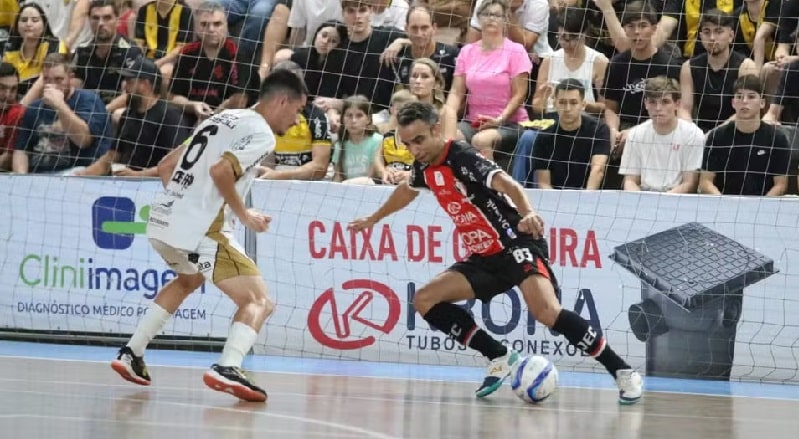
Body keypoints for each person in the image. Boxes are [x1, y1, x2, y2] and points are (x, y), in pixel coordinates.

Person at [348, 101, 644, 404]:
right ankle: (500, 356)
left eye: (419, 140)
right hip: (484, 257)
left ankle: (622, 372)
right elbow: (406, 191)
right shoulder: (424, 164)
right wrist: (373, 219)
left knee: (547, 312)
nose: (414, 149)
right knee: (424, 299)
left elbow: (509, 184)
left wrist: (528, 213)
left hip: (516, 244)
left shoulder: (461, 156)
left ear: (436, 130)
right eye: (407, 143)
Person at [110, 68, 309, 403]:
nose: (296, 121)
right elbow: (220, 172)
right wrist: (244, 214)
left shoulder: (224, 117)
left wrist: (184, 207)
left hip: (163, 220)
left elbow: (166, 167)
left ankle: (132, 352)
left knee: (188, 281)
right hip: (202, 229)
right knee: (259, 301)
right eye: (298, 111)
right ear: (282, 100)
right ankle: (228, 366)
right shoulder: (262, 134)